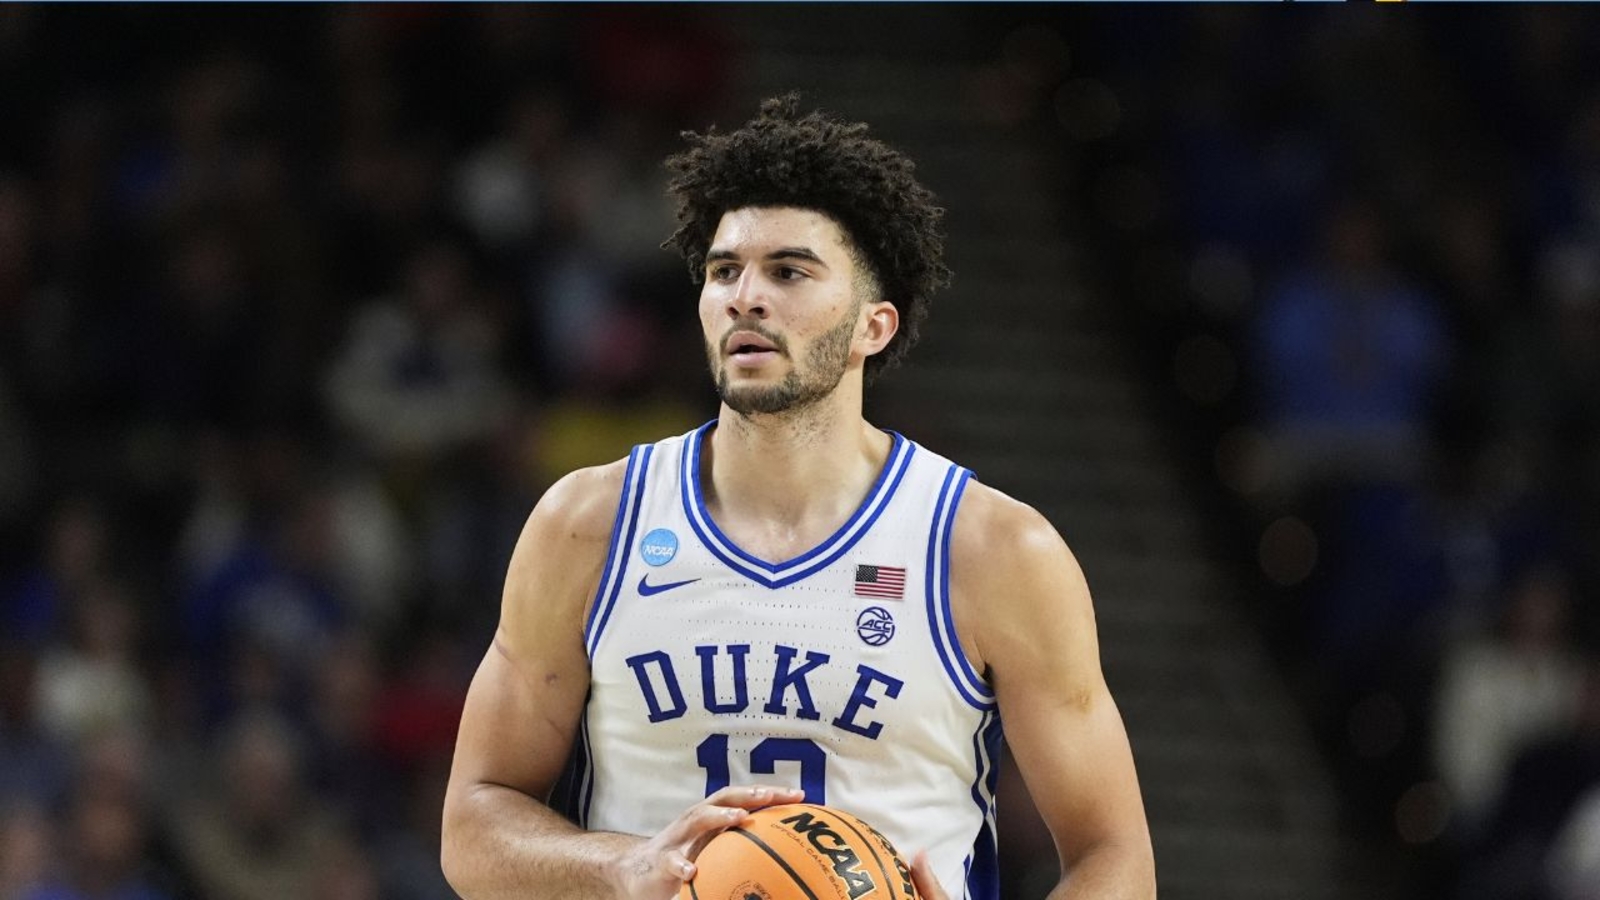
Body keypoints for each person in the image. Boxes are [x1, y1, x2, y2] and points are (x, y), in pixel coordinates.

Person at [441, 95, 1156, 900]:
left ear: (872, 327)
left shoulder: (989, 549)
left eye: (788, 271)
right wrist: (619, 867)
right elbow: (473, 821)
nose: (745, 296)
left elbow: (1113, 855)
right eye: (724, 272)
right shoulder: (589, 525)